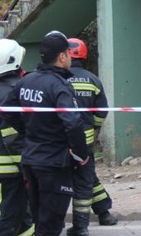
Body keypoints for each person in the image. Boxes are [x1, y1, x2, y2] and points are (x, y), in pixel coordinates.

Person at [4, 31, 90, 236]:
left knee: (39, 218)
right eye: (68, 53)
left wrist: (28, 131)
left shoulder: (26, 81)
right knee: (51, 224)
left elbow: (8, 111)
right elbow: (73, 123)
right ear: (62, 57)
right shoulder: (59, 86)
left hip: (31, 160)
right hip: (54, 163)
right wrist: (81, 154)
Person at [65, 38, 117, 235]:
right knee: (86, 176)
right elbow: (101, 111)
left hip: (61, 142)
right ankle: (104, 212)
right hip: (85, 142)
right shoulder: (93, 80)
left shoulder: (59, 79)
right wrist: (94, 129)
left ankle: (81, 225)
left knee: (81, 180)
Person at [0, 39, 35, 236]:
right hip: (10, 168)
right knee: (11, 213)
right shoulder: (13, 92)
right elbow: (12, 134)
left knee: (21, 216)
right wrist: (25, 165)